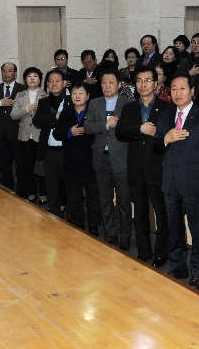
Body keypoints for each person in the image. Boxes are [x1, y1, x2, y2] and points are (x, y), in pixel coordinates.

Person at [151, 74, 199, 290]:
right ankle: (178, 266)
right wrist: (165, 139)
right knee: (174, 228)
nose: (178, 93)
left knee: (198, 230)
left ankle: (198, 271)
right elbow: (155, 147)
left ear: (192, 91)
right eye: (173, 89)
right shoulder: (165, 116)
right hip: (170, 182)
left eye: (182, 88)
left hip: (195, 183)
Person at [115, 66, 174, 266]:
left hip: (159, 168)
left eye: (147, 80)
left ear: (156, 84)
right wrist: (140, 129)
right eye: (139, 80)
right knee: (139, 214)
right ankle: (144, 251)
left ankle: (161, 253)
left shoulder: (167, 108)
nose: (143, 84)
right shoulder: (130, 108)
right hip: (136, 168)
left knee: (161, 214)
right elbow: (120, 133)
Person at [84, 68, 133, 249]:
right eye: (104, 82)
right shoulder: (95, 103)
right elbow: (87, 127)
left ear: (119, 85)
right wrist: (106, 124)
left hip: (121, 158)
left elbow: (131, 130)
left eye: (111, 82)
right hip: (101, 158)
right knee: (104, 200)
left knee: (123, 200)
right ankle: (110, 233)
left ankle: (125, 235)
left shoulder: (128, 104)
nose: (107, 85)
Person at [53, 81, 101, 236]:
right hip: (71, 161)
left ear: (88, 96)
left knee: (93, 197)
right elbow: (57, 134)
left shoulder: (93, 111)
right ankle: (77, 225)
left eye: (81, 93)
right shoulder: (66, 112)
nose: (77, 96)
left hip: (90, 161)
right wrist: (69, 132)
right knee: (74, 198)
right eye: (74, 93)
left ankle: (93, 226)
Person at [0, 62, 27, 195]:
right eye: (4, 71)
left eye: (9, 71)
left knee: (21, 164)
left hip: (18, 132)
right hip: (1, 133)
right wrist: (0, 102)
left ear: (15, 73)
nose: (6, 73)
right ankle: (7, 189)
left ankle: (22, 190)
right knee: (4, 164)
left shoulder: (22, 88)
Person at [32, 70, 69, 218]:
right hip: (49, 151)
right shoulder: (43, 102)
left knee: (68, 185)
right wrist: (55, 117)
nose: (54, 84)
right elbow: (37, 121)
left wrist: (51, 119)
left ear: (64, 83)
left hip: (67, 150)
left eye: (57, 81)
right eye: (51, 81)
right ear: (47, 84)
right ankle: (54, 216)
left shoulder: (71, 100)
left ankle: (72, 219)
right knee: (51, 185)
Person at [11, 67, 48, 204]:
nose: (32, 78)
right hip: (25, 136)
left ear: (40, 79)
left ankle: (44, 194)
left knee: (42, 165)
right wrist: (27, 109)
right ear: (25, 80)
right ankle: (31, 192)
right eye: (29, 76)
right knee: (28, 166)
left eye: (35, 76)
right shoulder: (20, 95)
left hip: (40, 136)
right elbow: (13, 115)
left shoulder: (45, 95)